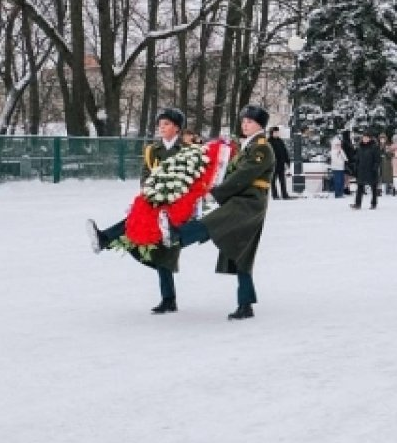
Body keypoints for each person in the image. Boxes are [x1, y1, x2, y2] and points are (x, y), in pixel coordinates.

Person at [172, 105, 274, 320]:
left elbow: (244, 176)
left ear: (260, 126)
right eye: (244, 121)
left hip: (249, 203)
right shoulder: (247, 146)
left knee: (212, 223)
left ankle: (176, 237)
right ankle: (245, 305)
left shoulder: (261, 148)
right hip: (241, 200)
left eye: (250, 122)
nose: (245, 124)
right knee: (241, 254)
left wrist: (216, 193)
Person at [88, 107, 189, 314]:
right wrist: (149, 191)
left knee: (166, 252)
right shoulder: (153, 150)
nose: (162, 128)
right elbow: (145, 173)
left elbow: (192, 176)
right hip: (154, 201)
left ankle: (104, 238)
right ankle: (168, 299)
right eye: (160, 125)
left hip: (176, 206)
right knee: (140, 230)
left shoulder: (187, 150)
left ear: (177, 128)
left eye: (167, 124)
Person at [351, 132, 381, 210]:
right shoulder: (360, 147)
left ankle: (374, 203)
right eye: (364, 137)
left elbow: (377, 160)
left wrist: (375, 168)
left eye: (367, 137)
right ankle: (358, 204)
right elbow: (357, 159)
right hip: (361, 170)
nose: (365, 139)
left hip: (371, 170)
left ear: (370, 138)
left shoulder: (374, 147)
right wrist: (356, 168)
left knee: (373, 188)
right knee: (360, 187)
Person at [268, 126, 291, 200]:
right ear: (272, 133)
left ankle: (284, 194)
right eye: (275, 132)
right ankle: (275, 195)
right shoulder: (269, 141)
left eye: (277, 132)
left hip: (281, 164)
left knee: (282, 180)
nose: (277, 133)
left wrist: (287, 161)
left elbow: (284, 151)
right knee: (273, 181)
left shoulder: (280, 141)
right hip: (273, 164)